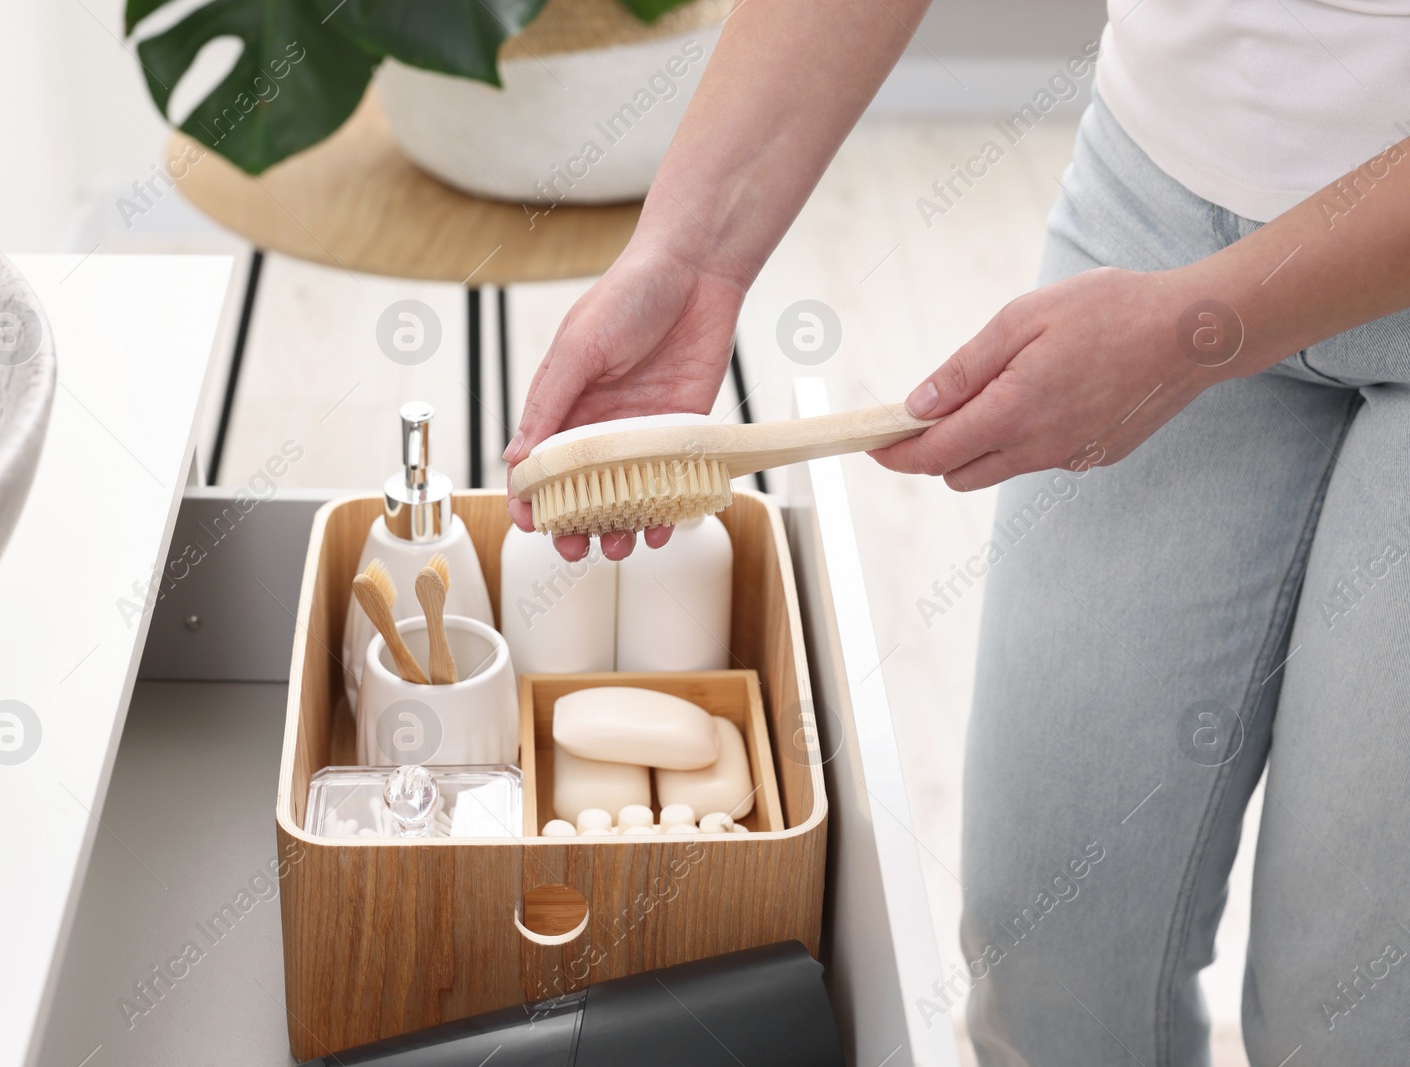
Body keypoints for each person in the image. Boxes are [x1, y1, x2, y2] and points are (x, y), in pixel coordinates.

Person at [503, 0, 1410, 1062]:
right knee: (1048, 971)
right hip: (1157, 198)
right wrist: (691, 254)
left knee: (1346, 1016)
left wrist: (1189, 333)